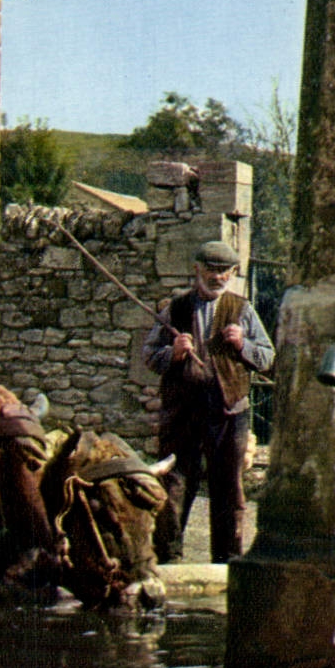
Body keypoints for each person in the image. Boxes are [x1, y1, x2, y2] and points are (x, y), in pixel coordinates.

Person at [141, 240, 274, 563]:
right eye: (211, 270)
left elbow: (268, 357)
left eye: (224, 271)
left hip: (229, 411)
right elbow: (148, 356)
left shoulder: (242, 309)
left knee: (228, 487)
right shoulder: (174, 309)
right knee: (175, 485)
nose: (217, 278)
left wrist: (243, 345)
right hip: (183, 411)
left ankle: (227, 560)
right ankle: (167, 557)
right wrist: (171, 354)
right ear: (196, 269)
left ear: (231, 273)